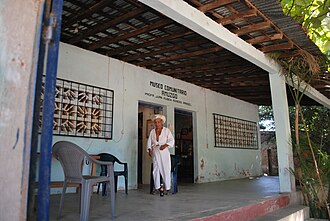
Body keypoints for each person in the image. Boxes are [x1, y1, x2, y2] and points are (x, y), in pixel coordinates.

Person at [147, 114, 174, 196]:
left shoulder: (166, 131)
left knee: (166, 169)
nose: (157, 123)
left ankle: (168, 188)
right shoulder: (152, 131)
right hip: (156, 151)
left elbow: (171, 140)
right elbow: (149, 142)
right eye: (155, 122)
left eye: (158, 122)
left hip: (164, 152)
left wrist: (165, 145)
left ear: (162, 123)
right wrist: (149, 150)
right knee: (156, 170)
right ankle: (157, 188)